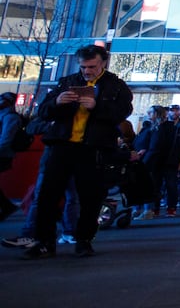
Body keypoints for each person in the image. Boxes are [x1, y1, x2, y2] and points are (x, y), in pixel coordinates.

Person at [24, 44, 133, 259]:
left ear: (102, 63)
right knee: (47, 194)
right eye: (83, 66)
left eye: (91, 66)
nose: (87, 71)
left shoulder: (116, 86)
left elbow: (122, 113)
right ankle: (45, 241)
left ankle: (83, 240)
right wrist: (57, 101)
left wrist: (96, 106)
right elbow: (43, 111)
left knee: (90, 198)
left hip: (92, 148)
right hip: (62, 145)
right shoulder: (68, 82)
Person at [0, 92, 23, 221]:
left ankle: (7, 205)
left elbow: (5, 140)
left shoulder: (10, 117)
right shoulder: (4, 115)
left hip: (3, 155)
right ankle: (7, 205)